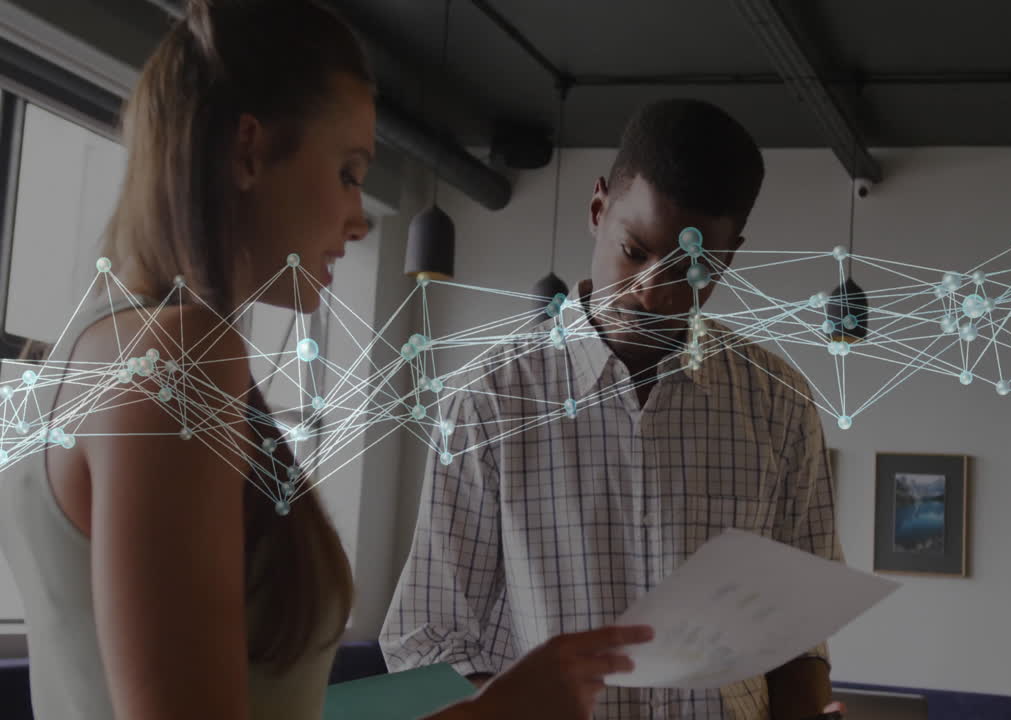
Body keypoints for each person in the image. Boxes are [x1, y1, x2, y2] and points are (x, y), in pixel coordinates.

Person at [0, 1, 649, 719]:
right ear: (249, 151)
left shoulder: (87, 347)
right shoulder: (178, 357)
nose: (360, 218)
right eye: (348, 172)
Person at [381, 98, 845, 720]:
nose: (652, 291)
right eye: (634, 250)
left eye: (690, 270)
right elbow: (429, 638)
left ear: (727, 258)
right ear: (598, 210)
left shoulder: (780, 404)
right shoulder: (489, 401)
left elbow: (798, 632)